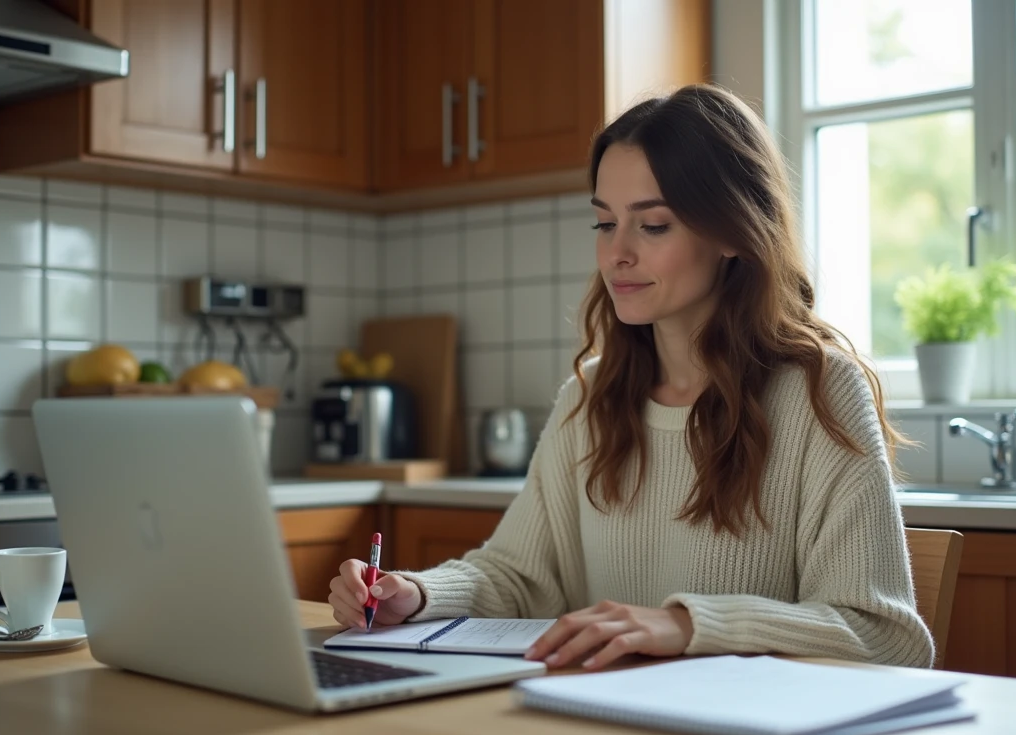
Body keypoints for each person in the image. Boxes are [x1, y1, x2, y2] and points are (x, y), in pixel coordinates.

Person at [328, 83, 935, 671]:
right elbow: (516, 575)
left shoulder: (819, 393)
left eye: (653, 225)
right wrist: (415, 593)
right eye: (604, 223)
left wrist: (689, 626)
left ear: (731, 230)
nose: (616, 253)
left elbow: (885, 637)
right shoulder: (590, 398)